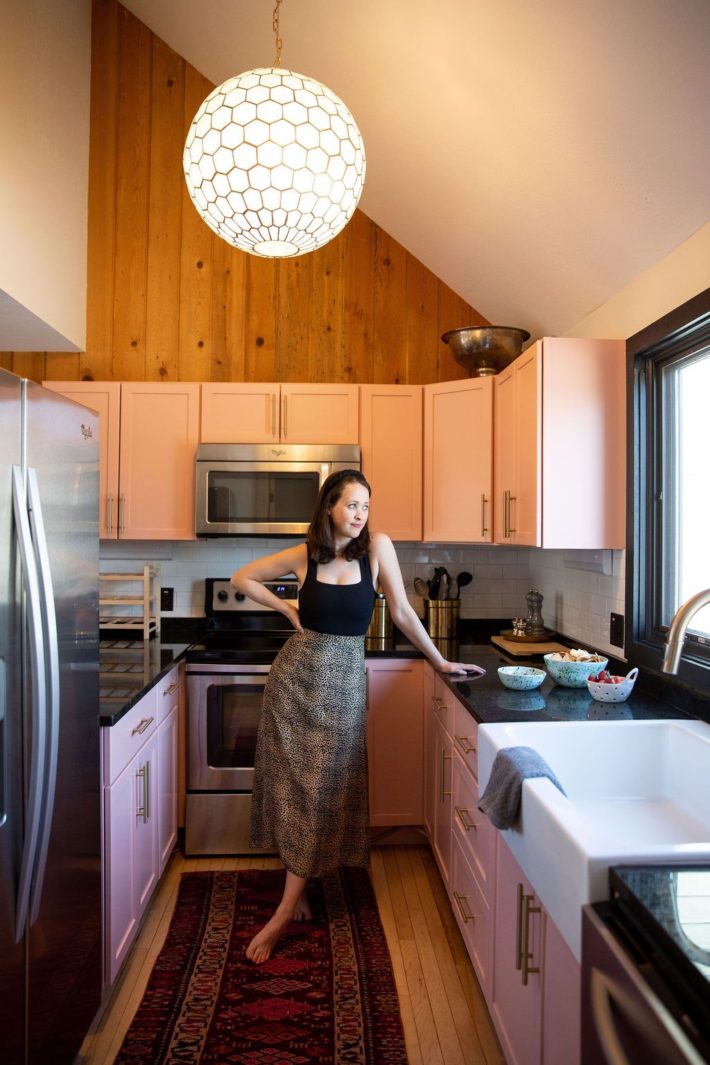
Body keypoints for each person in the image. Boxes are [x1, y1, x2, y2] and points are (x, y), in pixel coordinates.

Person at [231, 469, 485, 964]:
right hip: (294, 682)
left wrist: (439, 660)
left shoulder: (377, 548)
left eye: (366, 506)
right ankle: (296, 891)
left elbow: (404, 614)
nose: (360, 514)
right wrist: (286, 609)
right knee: (291, 785)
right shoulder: (303, 555)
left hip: (343, 687)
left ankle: (283, 909)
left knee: (323, 788)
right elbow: (243, 578)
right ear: (330, 507)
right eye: (351, 505)